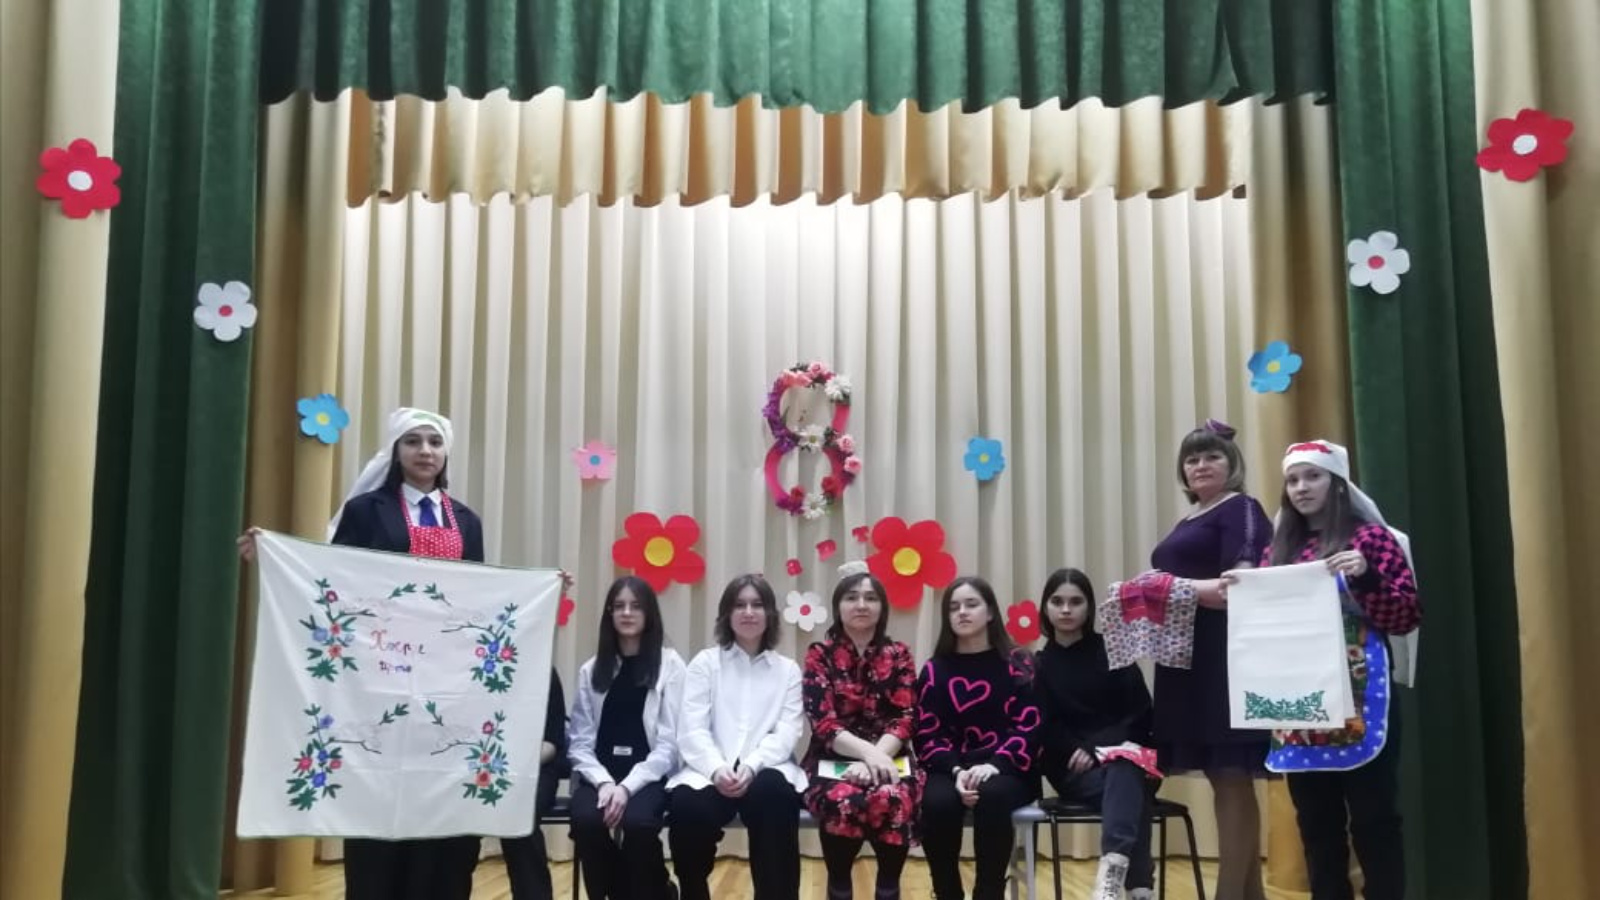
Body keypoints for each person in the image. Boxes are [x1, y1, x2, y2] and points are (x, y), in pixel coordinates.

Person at [238, 407, 488, 900]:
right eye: (413, 441)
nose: (425, 451)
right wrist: (276, 554)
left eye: (434, 442)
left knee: (432, 784)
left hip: (442, 679)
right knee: (377, 788)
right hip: (380, 674)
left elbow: (480, 593)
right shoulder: (367, 511)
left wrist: (543, 591)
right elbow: (333, 576)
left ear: (446, 453)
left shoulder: (466, 520)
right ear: (396, 451)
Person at [1241, 440, 1421, 900]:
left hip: (1361, 698)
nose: (1301, 487)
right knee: (1316, 823)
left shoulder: (1372, 541)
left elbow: (1405, 616)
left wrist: (1366, 574)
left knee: (1375, 818)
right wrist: (1241, 595)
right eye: (1292, 480)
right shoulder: (1277, 551)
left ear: (1337, 483)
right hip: (1298, 703)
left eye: (1312, 476)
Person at [1147, 419, 1274, 900]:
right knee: (1224, 780)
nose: (1200, 465)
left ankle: (1228, 895)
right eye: (1192, 458)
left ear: (1232, 464)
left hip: (1225, 658)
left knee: (1232, 776)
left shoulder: (1242, 508)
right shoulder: (1189, 520)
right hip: (1187, 658)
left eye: (1211, 456)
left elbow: (1239, 587)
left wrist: (1166, 587)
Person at [668, 574, 806, 900]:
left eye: (757, 605)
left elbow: (787, 731)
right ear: (726, 614)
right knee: (687, 806)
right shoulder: (705, 663)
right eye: (739, 605)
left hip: (765, 768)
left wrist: (753, 765)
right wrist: (717, 769)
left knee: (774, 797)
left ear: (769, 614)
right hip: (709, 770)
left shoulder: (787, 670)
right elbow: (692, 729)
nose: (748, 612)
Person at [1033, 567, 1157, 900]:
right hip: (1074, 769)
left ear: (1089, 607)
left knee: (1126, 768)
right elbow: (1044, 724)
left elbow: (1140, 713)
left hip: (1126, 758)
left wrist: (1096, 747)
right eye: (1057, 602)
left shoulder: (1114, 650)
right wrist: (1079, 750)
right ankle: (1139, 887)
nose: (1066, 610)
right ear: (1045, 607)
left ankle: (1111, 874)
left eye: (1076, 602)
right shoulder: (1039, 664)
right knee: (1132, 791)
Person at [800, 562, 922, 900]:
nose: (861, 605)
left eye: (870, 598)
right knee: (843, 798)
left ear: (882, 607)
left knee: (892, 796)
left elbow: (905, 716)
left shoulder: (899, 654)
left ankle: (888, 888)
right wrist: (869, 756)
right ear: (838, 606)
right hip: (832, 759)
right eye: (852, 597)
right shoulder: (819, 655)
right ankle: (839, 886)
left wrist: (877, 759)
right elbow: (823, 722)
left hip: (891, 757)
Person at [915, 576, 1042, 900]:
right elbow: (927, 732)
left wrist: (995, 765)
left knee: (993, 795)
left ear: (990, 612)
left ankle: (989, 892)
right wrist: (957, 771)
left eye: (971, 604)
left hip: (1008, 768)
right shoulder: (934, 670)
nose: (962, 612)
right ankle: (946, 892)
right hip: (950, 768)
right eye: (954, 607)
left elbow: (1030, 725)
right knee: (936, 802)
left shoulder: (1019, 663)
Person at [566, 576, 686, 900]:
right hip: (599, 776)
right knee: (586, 822)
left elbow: (670, 745)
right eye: (619, 606)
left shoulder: (671, 666)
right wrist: (605, 783)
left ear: (649, 613)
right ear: (610, 614)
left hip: (650, 776)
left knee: (638, 823)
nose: (627, 613)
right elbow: (579, 742)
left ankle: (654, 891)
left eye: (636, 606)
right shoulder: (592, 670)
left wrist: (627, 787)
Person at [502, 669, 568, 900]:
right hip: (481, 768)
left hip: (537, 766)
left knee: (519, 816)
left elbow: (552, 742)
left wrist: (516, 766)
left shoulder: (544, 670)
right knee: (455, 826)